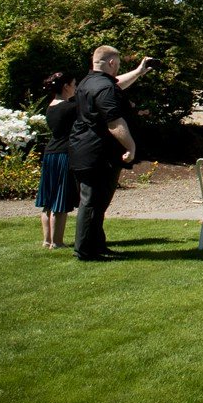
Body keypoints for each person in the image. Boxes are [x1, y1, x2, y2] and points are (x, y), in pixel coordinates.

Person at [68, 46, 154, 261]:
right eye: (118, 65)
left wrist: (138, 72)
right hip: (98, 153)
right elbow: (114, 122)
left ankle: (97, 245)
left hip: (82, 150)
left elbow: (115, 84)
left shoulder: (88, 82)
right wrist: (131, 147)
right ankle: (85, 251)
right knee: (92, 202)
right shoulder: (104, 88)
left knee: (96, 202)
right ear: (112, 63)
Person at [34, 72, 79, 249]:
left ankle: (47, 240)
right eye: (74, 84)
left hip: (50, 153)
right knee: (60, 200)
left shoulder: (51, 106)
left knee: (48, 201)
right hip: (63, 154)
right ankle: (58, 242)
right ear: (66, 86)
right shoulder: (70, 107)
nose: (76, 87)